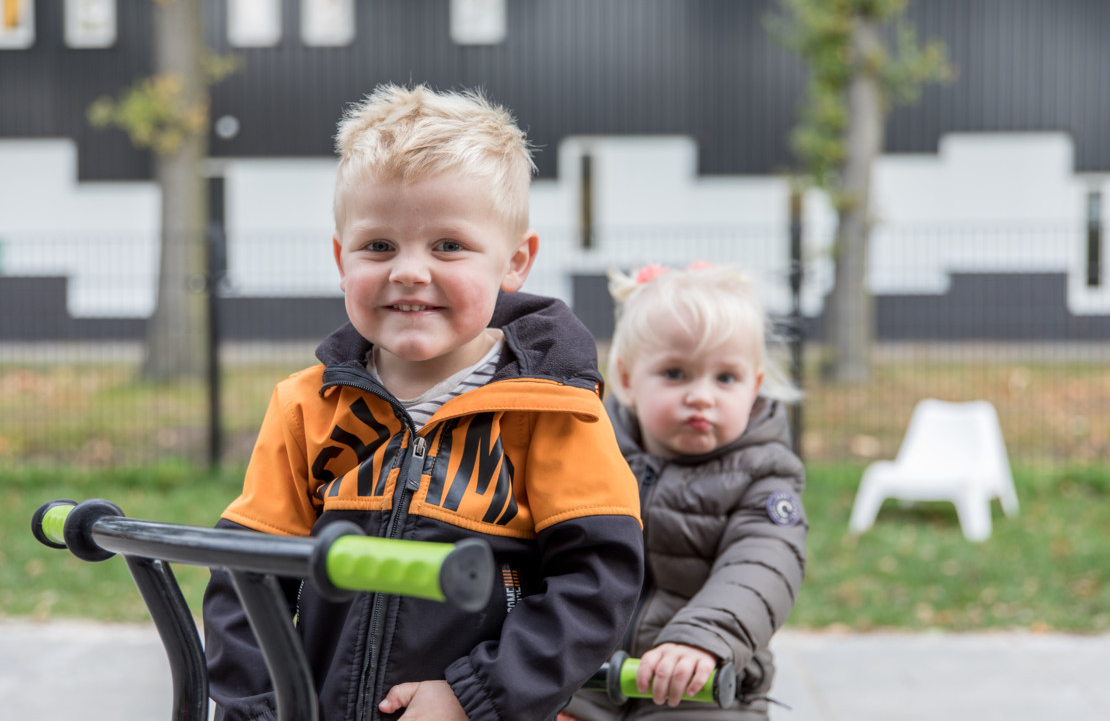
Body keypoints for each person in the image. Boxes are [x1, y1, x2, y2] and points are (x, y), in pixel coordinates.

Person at [202, 83, 645, 721]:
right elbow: (243, 578)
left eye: (448, 246)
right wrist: (263, 709)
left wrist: (475, 695)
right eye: (378, 246)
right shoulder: (306, 406)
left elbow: (596, 581)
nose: (409, 270)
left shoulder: (553, 411)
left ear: (515, 261)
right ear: (340, 257)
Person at [561, 263, 807, 721]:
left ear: (754, 387)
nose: (702, 396)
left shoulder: (764, 475)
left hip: (701, 679)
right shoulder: (587, 451)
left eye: (725, 378)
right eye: (676, 373)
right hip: (584, 674)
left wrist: (702, 639)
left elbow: (761, 565)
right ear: (629, 380)